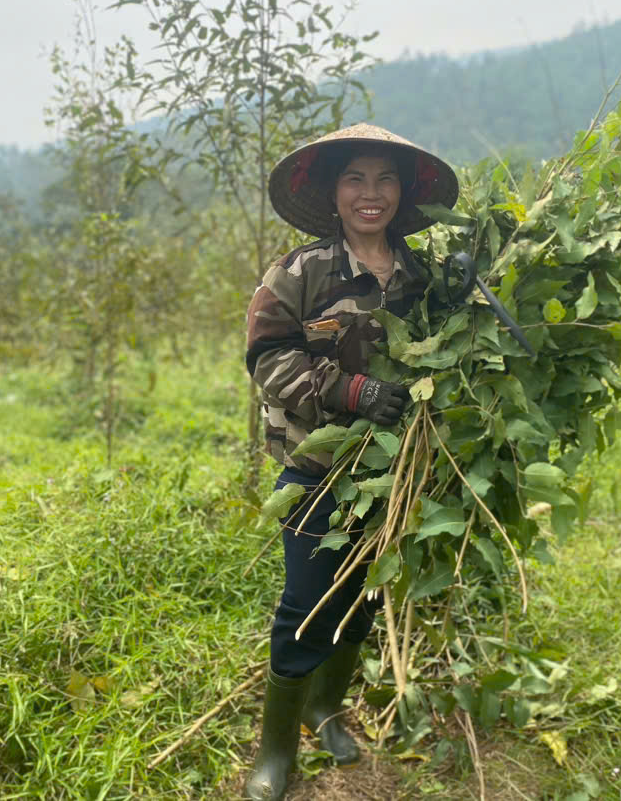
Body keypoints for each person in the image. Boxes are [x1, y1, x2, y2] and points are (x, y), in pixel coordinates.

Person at [243, 123, 458, 800]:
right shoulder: (299, 272)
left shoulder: (423, 277)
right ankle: (275, 751)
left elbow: (450, 357)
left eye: (385, 179)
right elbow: (268, 361)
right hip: (315, 467)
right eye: (355, 179)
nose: (372, 193)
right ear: (332, 193)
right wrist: (352, 390)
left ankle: (324, 708)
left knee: (363, 598)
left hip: (389, 473)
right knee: (307, 602)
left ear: (403, 192)